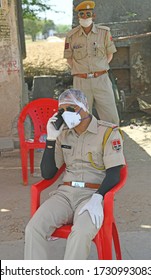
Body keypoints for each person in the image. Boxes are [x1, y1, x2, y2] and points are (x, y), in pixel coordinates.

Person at [24, 88, 125, 260]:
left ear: (84, 107)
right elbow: (48, 174)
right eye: (61, 110)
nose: (65, 114)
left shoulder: (108, 132)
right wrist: (50, 139)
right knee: (33, 228)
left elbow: (115, 173)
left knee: (80, 233)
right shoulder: (62, 134)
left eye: (70, 109)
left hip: (92, 195)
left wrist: (98, 197)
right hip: (64, 195)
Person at [64, 1, 119, 125]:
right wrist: (81, 71)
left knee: (110, 117)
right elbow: (69, 59)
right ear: (78, 17)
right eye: (82, 14)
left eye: (88, 14)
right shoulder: (71, 36)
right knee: (81, 119)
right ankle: (85, 144)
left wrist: (99, 68)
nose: (85, 17)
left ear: (93, 16)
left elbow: (109, 55)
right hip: (81, 81)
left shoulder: (104, 33)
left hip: (101, 80)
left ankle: (111, 142)